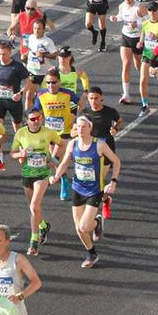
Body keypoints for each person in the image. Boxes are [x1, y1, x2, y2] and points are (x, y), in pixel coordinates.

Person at [55, 115, 120, 269]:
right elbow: (64, 163)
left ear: (90, 128)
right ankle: (91, 253)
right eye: (78, 127)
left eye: (84, 127)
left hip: (94, 190)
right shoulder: (72, 144)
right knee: (79, 228)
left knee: (84, 227)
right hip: (77, 188)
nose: (81, 130)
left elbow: (116, 161)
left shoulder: (99, 145)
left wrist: (114, 181)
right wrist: (56, 176)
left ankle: (96, 222)